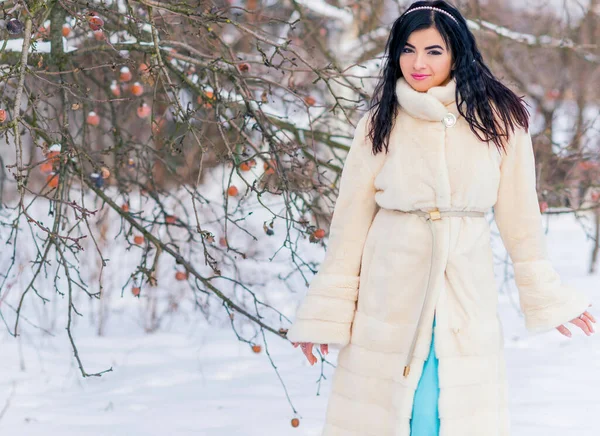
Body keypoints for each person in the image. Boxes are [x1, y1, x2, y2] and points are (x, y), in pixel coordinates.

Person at [287, 1, 596, 435]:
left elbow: (520, 219)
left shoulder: (499, 121)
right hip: (388, 285)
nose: (417, 63)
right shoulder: (380, 122)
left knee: (445, 409)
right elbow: (349, 225)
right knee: (389, 412)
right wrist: (325, 312)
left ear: (457, 52)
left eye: (433, 51)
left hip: (463, 284)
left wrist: (546, 294)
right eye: (408, 49)